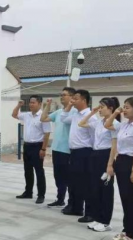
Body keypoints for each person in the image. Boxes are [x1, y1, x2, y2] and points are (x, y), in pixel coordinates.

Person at [105, 97, 133, 240]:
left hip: (131, 162)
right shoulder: (124, 125)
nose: (124, 109)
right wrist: (116, 112)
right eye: (124, 106)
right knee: (125, 198)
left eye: (127, 107)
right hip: (121, 161)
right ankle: (127, 229)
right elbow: (107, 124)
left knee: (131, 199)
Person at [78, 97, 119, 232]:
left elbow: (114, 146)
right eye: (99, 107)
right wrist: (92, 112)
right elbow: (81, 123)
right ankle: (97, 218)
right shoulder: (98, 122)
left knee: (105, 190)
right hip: (95, 155)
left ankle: (105, 221)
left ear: (111, 108)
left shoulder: (114, 124)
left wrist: (110, 164)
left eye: (102, 107)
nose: (100, 109)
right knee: (95, 189)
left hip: (106, 156)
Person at [60, 89, 95, 221]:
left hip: (85, 152)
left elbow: (94, 138)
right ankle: (76, 208)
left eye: (76, 98)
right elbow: (63, 119)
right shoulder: (75, 114)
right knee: (74, 182)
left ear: (84, 100)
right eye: (72, 98)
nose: (72, 100)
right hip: (74, 152)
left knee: (85, 183)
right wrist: (69, 106)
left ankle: (89, 212)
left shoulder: (91, 116)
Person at [41, 87, 76, 209]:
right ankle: (60, 199)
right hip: (56, 149)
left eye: (64, 95)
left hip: (67, 150)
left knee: (69, 177)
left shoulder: (75, 112)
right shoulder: (59, 112)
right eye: (61, 95)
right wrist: (47, 105)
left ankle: (72, 203)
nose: (61, 97)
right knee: (58, 176)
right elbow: (43, 119)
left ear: (72, 97)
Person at [13, 96, 52, 204]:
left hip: (37, 146)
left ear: (39, 104)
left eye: (33, 102)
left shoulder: (43, 116)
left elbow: (47, 134)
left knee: (39, 171)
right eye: (30, 102)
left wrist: (43, 149)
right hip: (27, 146)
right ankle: (28, 192)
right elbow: (14, 115)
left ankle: (41, 195)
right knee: (27, 170)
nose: (31, 104)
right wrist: (19, 105)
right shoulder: (27, 115)